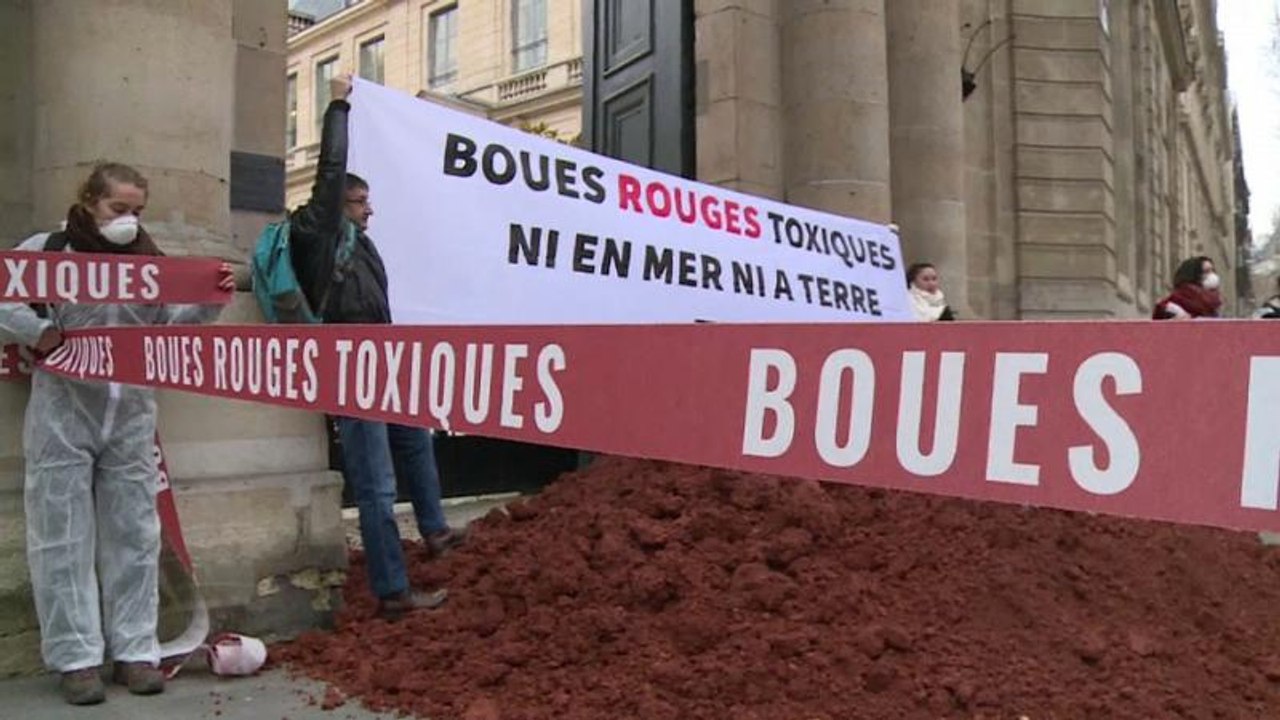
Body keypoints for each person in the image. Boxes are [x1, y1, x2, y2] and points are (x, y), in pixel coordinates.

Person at [0, 162, 234, 705]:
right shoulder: (49, 250)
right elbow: (5, 297)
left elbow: (170, 326)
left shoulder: (149, 262)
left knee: (134, 534)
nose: (128, 221)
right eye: (118, 209)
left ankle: (135, 649)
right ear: (90, 201)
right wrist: (38, 333)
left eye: (136, 211)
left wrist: (207, 296)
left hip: (128, 410)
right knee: (61, 536)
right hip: (64, 406)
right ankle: (76, 659)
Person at [289, 73, 461, 620]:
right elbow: (330, 172)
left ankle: (435, 531)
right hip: (350, 364)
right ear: (336, 204)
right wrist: (338, 107)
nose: (368, 210)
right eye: (359, 202)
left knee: (417, 440)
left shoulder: (362, 246)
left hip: (384, 361)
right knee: (376, 484)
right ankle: (392, 591)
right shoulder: (316, 234)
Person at [1153, 256, 1222, 320]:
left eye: (1213, 271)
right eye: (1207, 271)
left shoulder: (1211, 306)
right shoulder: (1172, 306)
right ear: (1194, 276)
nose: (1212, 275)